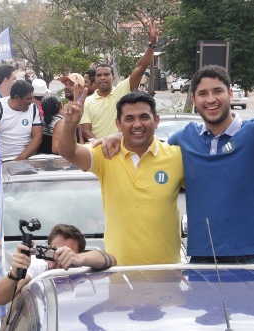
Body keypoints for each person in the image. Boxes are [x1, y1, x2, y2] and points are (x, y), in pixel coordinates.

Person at [102, 31, 254, 264]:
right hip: (203, 258)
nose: (211, 99)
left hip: (252, 256)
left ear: (230, 94)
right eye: (203, 94)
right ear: (194, 100)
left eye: (217, 91)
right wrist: (118, 135)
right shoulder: (184, 139)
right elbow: (149, 149)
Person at [59, 90, 185, 266]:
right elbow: (69, 152)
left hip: (168, 272)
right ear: (118, 124)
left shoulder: (177, 157)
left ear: (156, 121)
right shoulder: (106, 154)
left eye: (144, 117)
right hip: (118, 273)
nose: (137, 124)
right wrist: (70, 125)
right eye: (129, 119)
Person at [0, 224, 116, 305]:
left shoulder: (84, 263)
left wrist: (79, 259)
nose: (59, 260)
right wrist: (14, 274)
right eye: (54, 253)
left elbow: (111, 260)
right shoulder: (37, 264)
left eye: (66, 254)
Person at [80, 26, 158, 140]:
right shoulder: (87, 102)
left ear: (113, 77)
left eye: (106, 75)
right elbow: (85, 130)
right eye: (99, 75)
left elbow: (140, 68)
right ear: (95, 79)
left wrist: (152, 45)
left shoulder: (122, 91)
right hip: (98, 152)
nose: (102, 78)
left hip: (122, 152)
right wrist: (103, 145)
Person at [0, 80, 42, 161]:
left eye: (32, 98)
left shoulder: (34, 109)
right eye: (28, 99)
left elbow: (37, 137)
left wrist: (19, 160)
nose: (32, 102)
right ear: (17, 98)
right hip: (1, 161)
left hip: (25, 161)